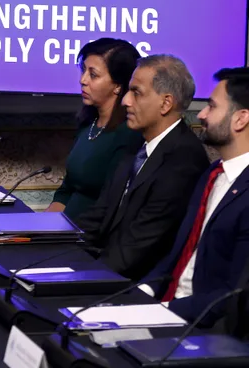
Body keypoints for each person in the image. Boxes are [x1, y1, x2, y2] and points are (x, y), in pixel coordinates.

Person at [73, 54, 209, 280]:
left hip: (134, 284)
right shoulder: (136, 142)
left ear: (165, 103)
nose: (125, 100)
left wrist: (82, 280)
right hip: (105, 265)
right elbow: (99, 215)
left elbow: (137, 249)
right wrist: (58, 253)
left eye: (136, 92)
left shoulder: (183, 161)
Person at [143, 67, 249, 326]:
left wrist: (163, 311)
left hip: (202, 328)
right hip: (166, 307)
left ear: (241, 119)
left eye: (211, 107)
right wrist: (142, 294)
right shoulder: (213, 173)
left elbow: (234, 294)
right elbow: (180, 252)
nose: (201, 114)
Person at [46, 38, 143, 220]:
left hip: (90, 237)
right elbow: (67, 189)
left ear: (118, 85)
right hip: (63, 231)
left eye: (93, 75)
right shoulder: (87, 125)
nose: (83, 80)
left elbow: (111, 205)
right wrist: (42, 226)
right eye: (83, 71)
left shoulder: (128, 134)